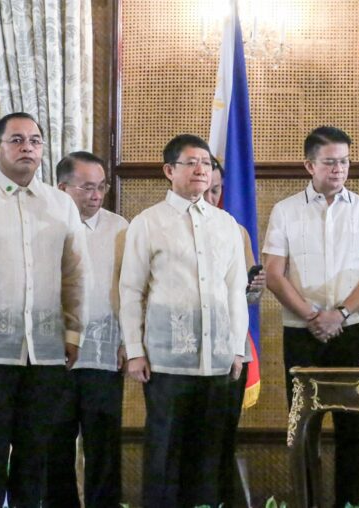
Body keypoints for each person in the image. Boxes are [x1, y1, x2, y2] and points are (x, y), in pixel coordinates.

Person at [263, 126, 359, 508]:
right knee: (304, 427)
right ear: (309, 165)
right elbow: (273, 274)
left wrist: (340, 313)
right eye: (330, 162)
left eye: (344, 162)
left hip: (352, 329)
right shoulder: (285, 211)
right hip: (301, 331)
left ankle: (348, 503)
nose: (339, 169)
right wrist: (313, 315)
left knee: (353, 427)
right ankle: (308, 502)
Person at [120, 134, 247, 508]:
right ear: (169, 170)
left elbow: (236, 291)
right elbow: (130, 291)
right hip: (165, 362)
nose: (200, 170)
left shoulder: (226, 224)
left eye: (206, 163)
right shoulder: (147, 223)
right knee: (165, 453)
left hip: (219, 362)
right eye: (191, 162)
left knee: (209, 456)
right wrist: (134, 351)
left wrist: (238, 350)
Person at [0, 112, 88, 506]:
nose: (27, 147)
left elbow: (75, 274)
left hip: (44, 352)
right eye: (16, 140)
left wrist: (72, 332)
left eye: (35, 140)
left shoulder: (60, 204)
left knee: (35, 456)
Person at [45, 151, 128, 507]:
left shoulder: (121, 228)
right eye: (87, 188)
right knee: (54, 444)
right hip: (54, 353)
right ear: (62, 187)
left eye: (101, 187)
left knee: (104, 446)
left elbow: (132, 288)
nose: (96, 196)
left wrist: (129, 341)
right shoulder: (44, 223)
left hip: (104, 354)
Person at [204, 159, 266, 507]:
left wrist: (256, 286)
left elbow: (249, 299)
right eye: (207, 188)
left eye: (217, 190)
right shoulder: (161, 226)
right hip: (184, 353)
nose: (212, 197)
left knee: (222, 437)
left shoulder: (234, 229)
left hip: (230, 349)